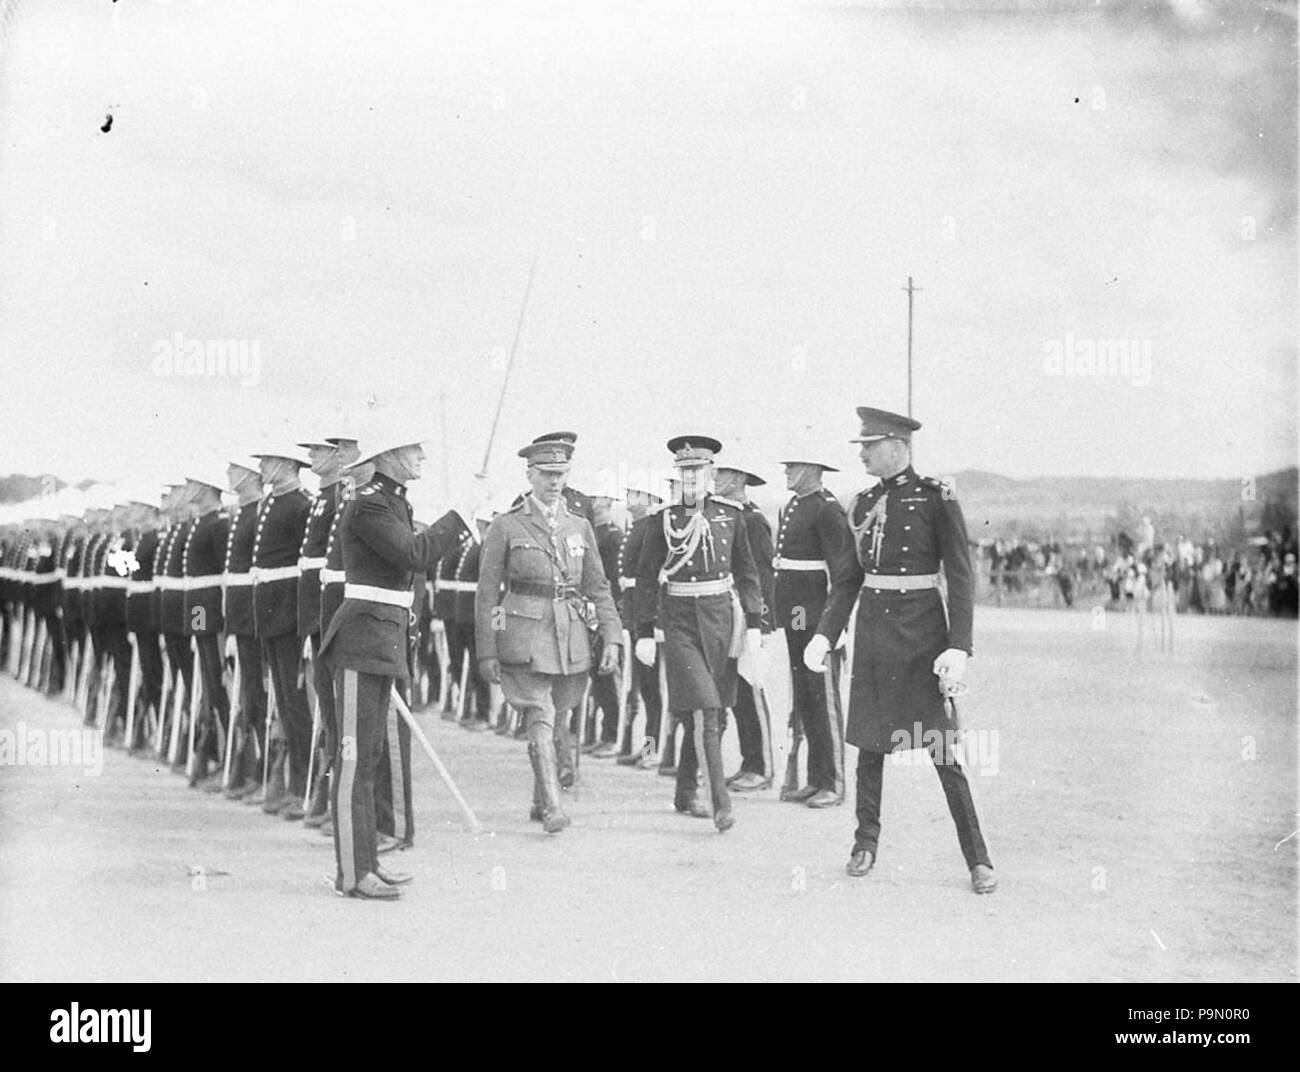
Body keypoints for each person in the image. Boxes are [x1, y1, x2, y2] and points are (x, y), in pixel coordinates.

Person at [808, 406, 996, 894]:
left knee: (941, 748)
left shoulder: (937, 498)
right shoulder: (861, 501)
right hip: (874, 632)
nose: (864, 454)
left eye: (871, 445)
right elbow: (848, 579)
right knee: (871, 746)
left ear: (898, 446)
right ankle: (864, 842)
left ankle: (978, 857)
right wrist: (825, 633)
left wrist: (960, 647)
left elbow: (959, 575)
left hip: (922, 636)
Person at [320, 430, 469, 899]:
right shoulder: (369, 505)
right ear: (389, 458)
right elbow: (415, 555)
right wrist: (459, 516)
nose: (422, 455)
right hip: (360, 640)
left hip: (380, 641)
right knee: (352, 762)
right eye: (413, 450)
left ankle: (367, 862)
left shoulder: (391, 502)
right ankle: (351, 873)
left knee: (368, 759)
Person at [475, 437, 622, 833]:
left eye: (561, 474)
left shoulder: (580, 526)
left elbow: (598, 586)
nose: (555, 482)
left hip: (570, 634)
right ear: (530, 475)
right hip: (523, 634)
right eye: (547, 474)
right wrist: (489, 647)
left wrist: (612, 636)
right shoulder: (508, 525)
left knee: (559, 718)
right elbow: (490, 593)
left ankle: (541, 798)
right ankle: (554, 807)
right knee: (540, 715)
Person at [634, 436, 764, 832]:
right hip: (679, 621)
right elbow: (644, 579)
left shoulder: (731, 515)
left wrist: (756, 625)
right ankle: (719, 802)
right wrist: (642, 631)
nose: (691, 477)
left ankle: (685, 788)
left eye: (698, 470)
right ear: (678, 475)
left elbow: (747, 573)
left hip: (721, 620)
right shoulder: (663, 519)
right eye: (684, 471)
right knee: (706, 708)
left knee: (715, 710)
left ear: (711, 473)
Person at [772, 450, 854, 805]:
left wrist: (833, 629)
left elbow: (844, 575)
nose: (787, 471)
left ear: (812, 468)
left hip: (819, 618)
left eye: (792, 466)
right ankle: (814, 778)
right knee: (805, 698)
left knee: (825, 699)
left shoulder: (827, 508)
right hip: (796, 616)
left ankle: (833, 782)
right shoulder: (792, 505)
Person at [250, 446, 314, 819]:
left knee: (294, 706)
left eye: (266, 461)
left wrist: (304, 625)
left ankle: (300, 784)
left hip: (286, 615)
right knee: (281, 705)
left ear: (288, 464)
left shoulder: (300, 505)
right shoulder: (268, 505)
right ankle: (273, 780)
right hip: (261, 615)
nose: (261, 467)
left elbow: (304, 568)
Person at [711, 462, 777, 792]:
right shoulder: (721, 516)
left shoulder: (752, 520)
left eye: (721, 474)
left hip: (748, 618)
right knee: (735, 694)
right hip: (726, 615)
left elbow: (763, 577)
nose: (714, 479)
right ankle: (749, 761)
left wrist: (760, 625)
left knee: (750, 689)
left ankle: (761, 765)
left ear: (738, 478)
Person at [182, 475, 231, 788]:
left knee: (218, 682)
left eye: (192, 484)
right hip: (200, 609)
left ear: (204, 487)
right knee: (208, 680)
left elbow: (223, 573)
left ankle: (228, 758)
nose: (188, 490)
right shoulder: (202, 522)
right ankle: (213, 752)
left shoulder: (218, 523)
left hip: (212, 610)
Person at [614, 475, 666, 769]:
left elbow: (652, 578)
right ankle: (647, 746)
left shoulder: (652, 527)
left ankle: (653, 749)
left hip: (649, 616)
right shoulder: (637, 527)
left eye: (635, 492)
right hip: (635, 612)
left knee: (655, 691)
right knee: (645, 689)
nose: (629, 498)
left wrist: (654, 621)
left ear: (650, 497)